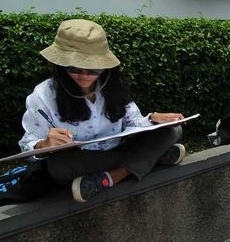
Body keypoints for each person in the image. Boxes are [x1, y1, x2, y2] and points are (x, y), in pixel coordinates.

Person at [19, 19, 186, 203]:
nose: (84, 75)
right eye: (73, 68)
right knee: (58, 166)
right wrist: (44, 145)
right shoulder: (42, 96)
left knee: (173, 130)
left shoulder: (114, 87)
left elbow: (133, 124)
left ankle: (114, 176)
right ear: (60, 66)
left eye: (93, 69)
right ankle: (152, 157)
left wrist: (152, 119)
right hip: (82, 160)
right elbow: (28, 144)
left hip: (117, 148)